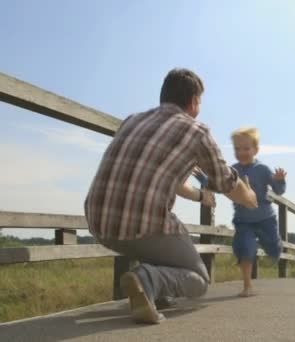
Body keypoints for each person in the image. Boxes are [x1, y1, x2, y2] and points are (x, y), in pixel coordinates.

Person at [84, 68, 258, 324]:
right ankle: (146, 280)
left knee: (152, 232)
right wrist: (250, 197)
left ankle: (153, 293)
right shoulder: (197, 132)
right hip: (141, 225)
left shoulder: (132, 120)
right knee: (199, 280)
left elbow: (163, 180)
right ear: (193, 102)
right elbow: (226, 183)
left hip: (98, 222)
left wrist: (200, 196)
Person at [230, 127, 287, 297]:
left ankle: (275, 246)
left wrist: (280, 181)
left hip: (265, 218)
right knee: (246, 249)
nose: (241, 152)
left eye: (246, 148)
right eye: (237, 149)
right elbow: (220, 186)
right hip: (243, 219)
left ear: (256, 150)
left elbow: (278, 191)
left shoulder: (262, 169)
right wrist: (205, 180)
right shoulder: (232, 170)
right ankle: (247, 286)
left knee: (273, 249)